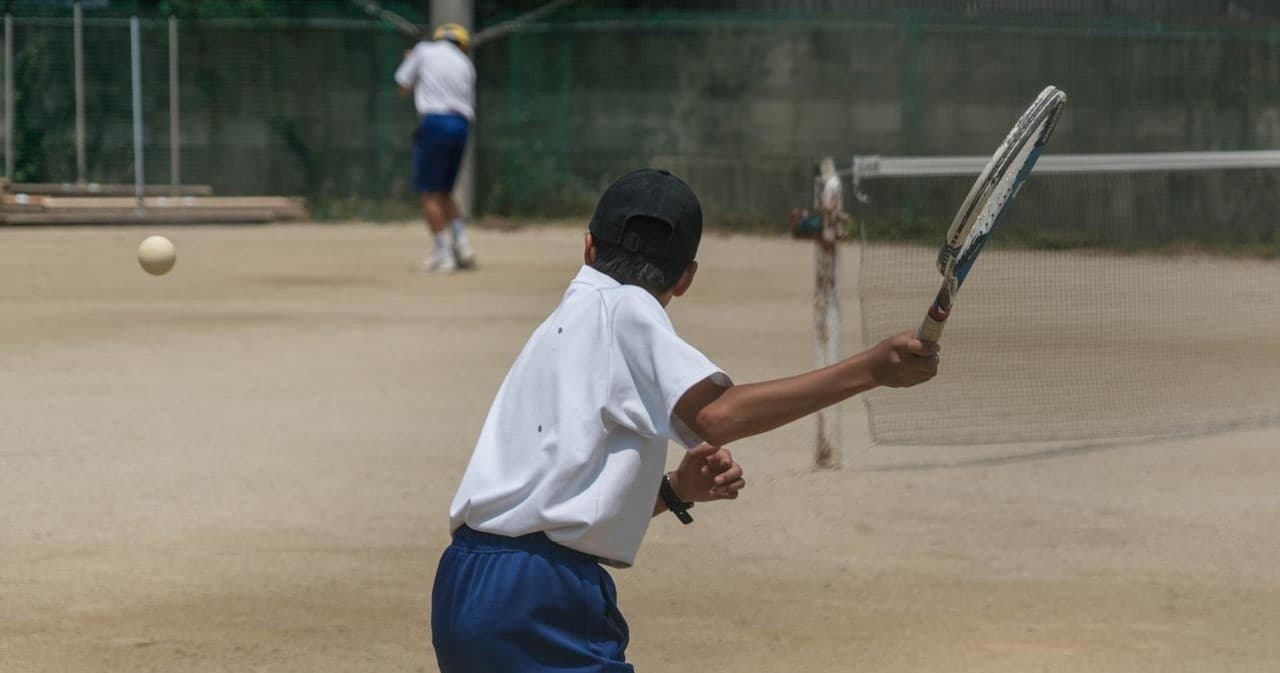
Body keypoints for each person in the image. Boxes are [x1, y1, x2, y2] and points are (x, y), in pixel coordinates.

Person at [430, 169, 940, 672]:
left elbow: (551, 498)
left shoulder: (563, 325)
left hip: (466, 580)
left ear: (588, 248)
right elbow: (717, 416)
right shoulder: (627, 306)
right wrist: (869, 370)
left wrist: (674, 491)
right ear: (686, 276)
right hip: (538, 596)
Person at [394, 23, 477, 273]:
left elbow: (402, 84)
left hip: (435, 122)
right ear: (462, 44)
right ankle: (462, 245)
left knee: (430, 193)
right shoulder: (466, 65)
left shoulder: (423, 50)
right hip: (461, 125)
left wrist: (413, 62)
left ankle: (443, 255)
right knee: (445, 191)